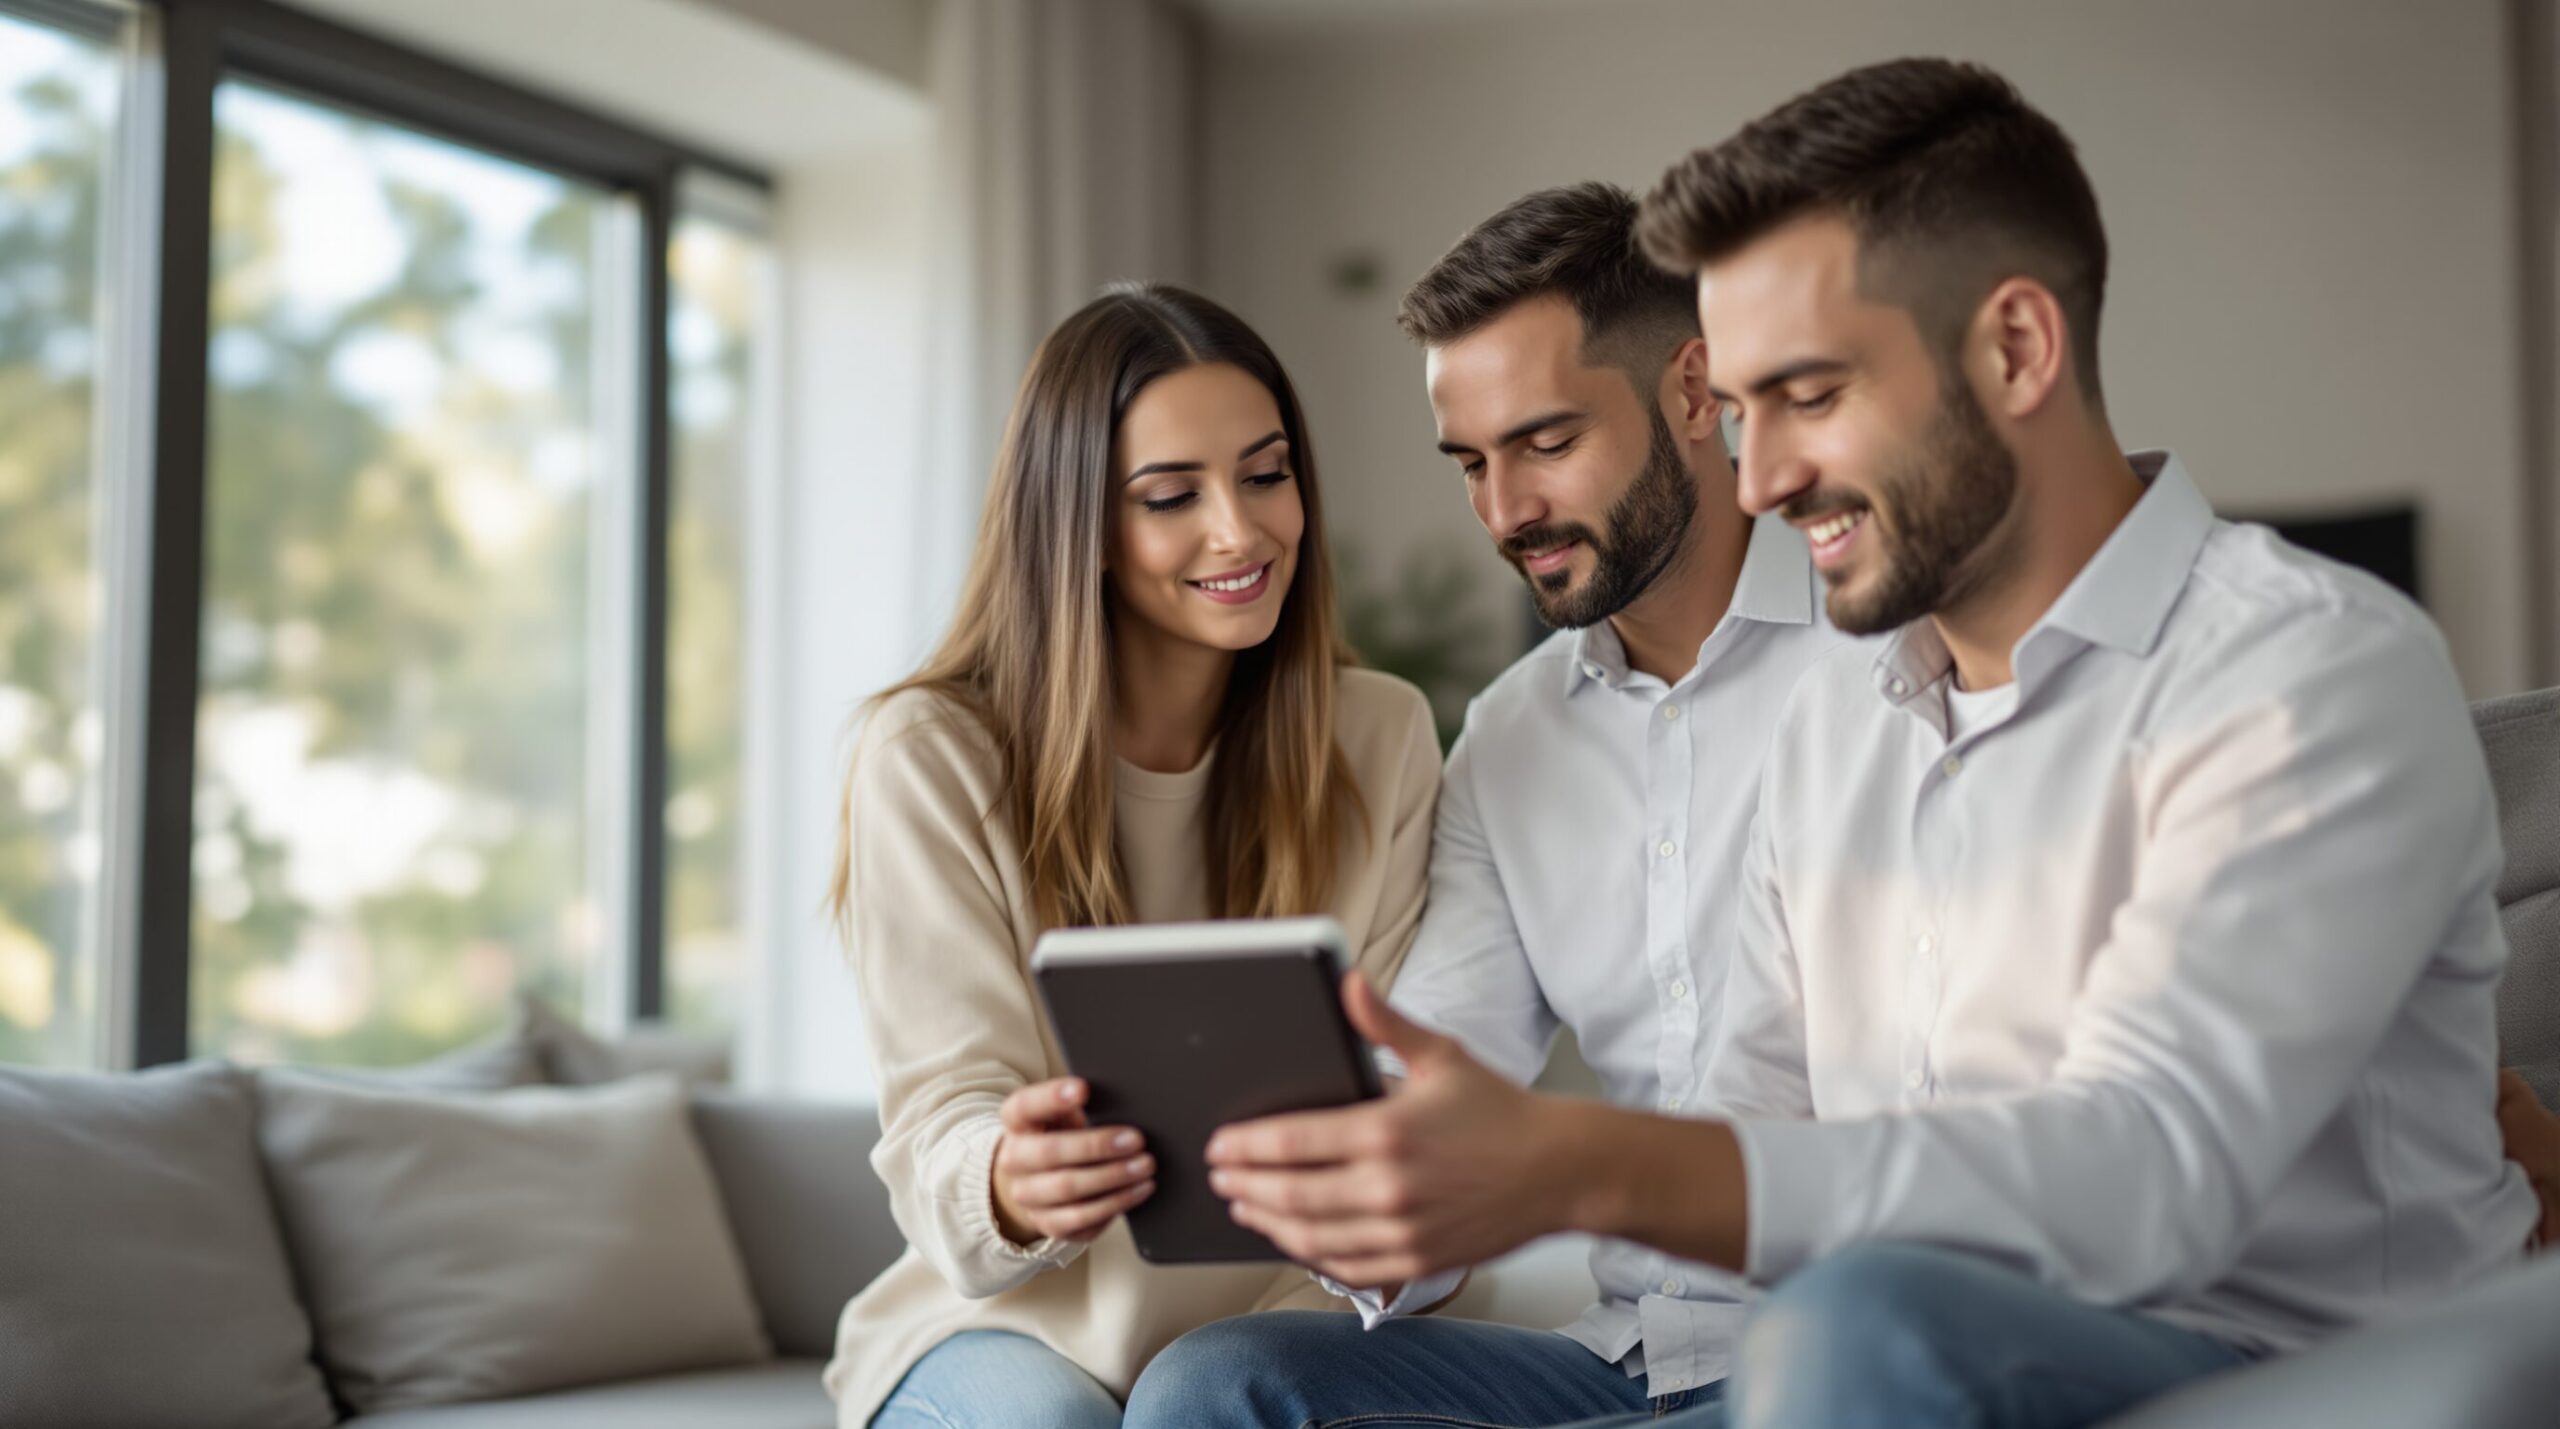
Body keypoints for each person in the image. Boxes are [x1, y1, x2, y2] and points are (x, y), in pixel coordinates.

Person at [1131, 59, 2542, 1429]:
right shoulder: (1845, 714)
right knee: (1234, 1389)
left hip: (2258, 1359)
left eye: (1806, 397)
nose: (1758, 480)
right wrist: (1396, 1170)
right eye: (1744, 416)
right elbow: (1753, 1111)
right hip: (1841, 1352)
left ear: (2016, 347)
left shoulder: (2308, 668)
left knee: (1855, 1330)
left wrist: (1575, 1163)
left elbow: (2149, 1170)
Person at [822, 283, 1442, 1429]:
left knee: (1214, 1396)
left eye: (1265, 474)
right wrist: (1009, 1184)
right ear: (1078, 529)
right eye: (1170, 496)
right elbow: (944, 1122)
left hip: (1283, 1311)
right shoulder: (930, 755)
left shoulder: (1380, 732)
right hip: (999, 1328)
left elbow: (1401, 1074)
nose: (1240, 531)